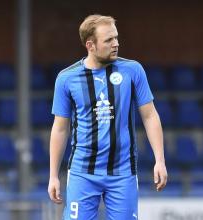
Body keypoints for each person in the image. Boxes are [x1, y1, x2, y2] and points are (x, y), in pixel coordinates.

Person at [48, 14, 167, 220]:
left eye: (116, 38)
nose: (116, 44)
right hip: (82, 172)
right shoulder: (66, 78)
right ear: (90, 45)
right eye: (109, 40)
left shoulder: (133, 70)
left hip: (122, 172)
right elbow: (60, 128)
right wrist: (53, 176)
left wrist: (160, 160)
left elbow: (150, 116)